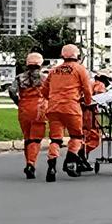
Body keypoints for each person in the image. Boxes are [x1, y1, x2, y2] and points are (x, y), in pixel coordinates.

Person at [41, 44, 93, 181]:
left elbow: (44, 91)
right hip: (71, 108)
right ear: (77, 56)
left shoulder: (53, 71)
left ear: (62, 56)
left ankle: (51, 167)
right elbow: (87, 90)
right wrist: (87, 102)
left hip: (53, 109)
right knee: (77, 136)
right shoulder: (80, 70)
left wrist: (53, 99)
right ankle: (70, 159)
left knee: (56, 139)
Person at [8, 53, 47, 180]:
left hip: (24, 109)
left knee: (27, 138)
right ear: (40, 64)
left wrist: (18, 102)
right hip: (39, 110)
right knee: (35, 139)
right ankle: (31, 163)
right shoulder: (45, 78)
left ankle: (29, 162)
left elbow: (12, 91)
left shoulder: (20, 78)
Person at [79, 70, 111, 171]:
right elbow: (99, 98)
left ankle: (81, 157)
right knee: (94, 137)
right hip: (89, 112)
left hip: (80, 111)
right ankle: (80, 153)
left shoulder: (89, 82)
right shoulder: (99, 84)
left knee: (82, 135)